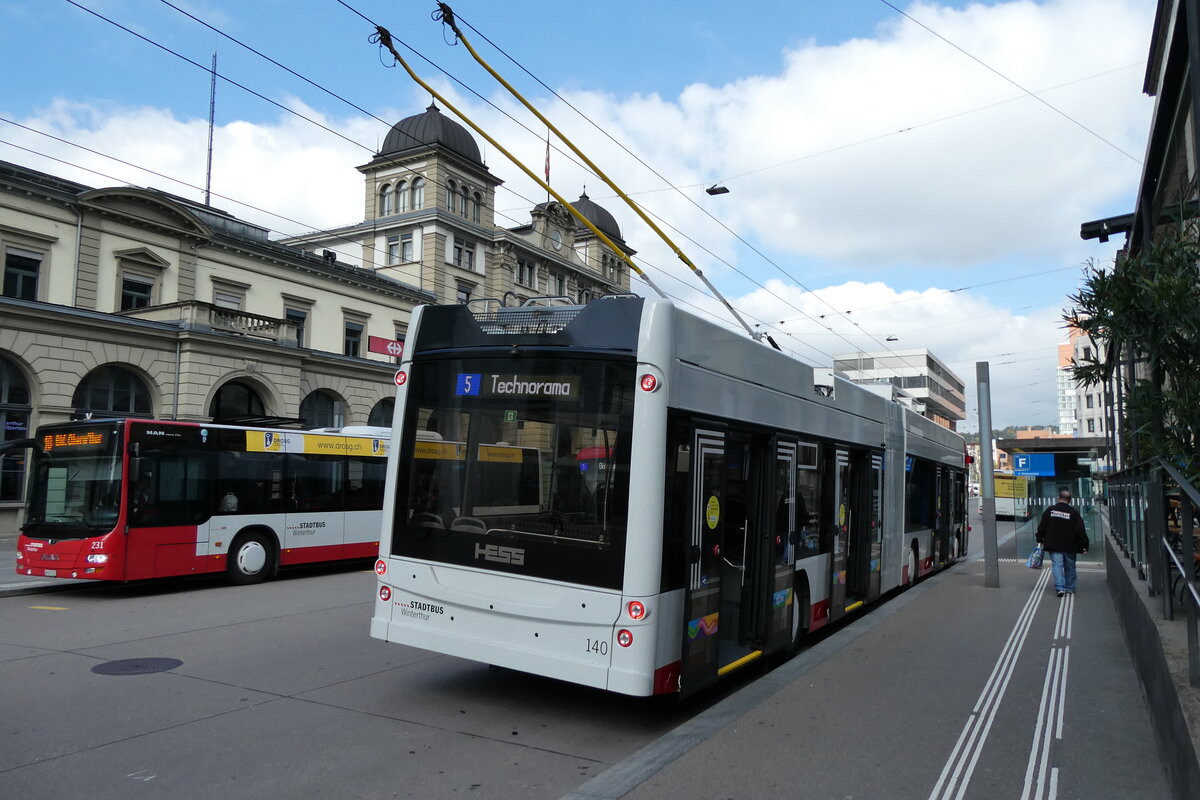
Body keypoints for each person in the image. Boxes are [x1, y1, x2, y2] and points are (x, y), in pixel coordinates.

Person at [1036, 489, 1089, 597]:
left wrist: (1040, 538)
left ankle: (1060, 588)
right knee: (1070, 567)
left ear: (1058, 498)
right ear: (1069, 500)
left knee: (1057, 565)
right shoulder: (1073, 513)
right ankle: (1070, 588)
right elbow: (1080, 530)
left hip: (1054, 545)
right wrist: (1084, 545)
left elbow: (1042, 526)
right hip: (1070, 545)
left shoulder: (1050, 510)